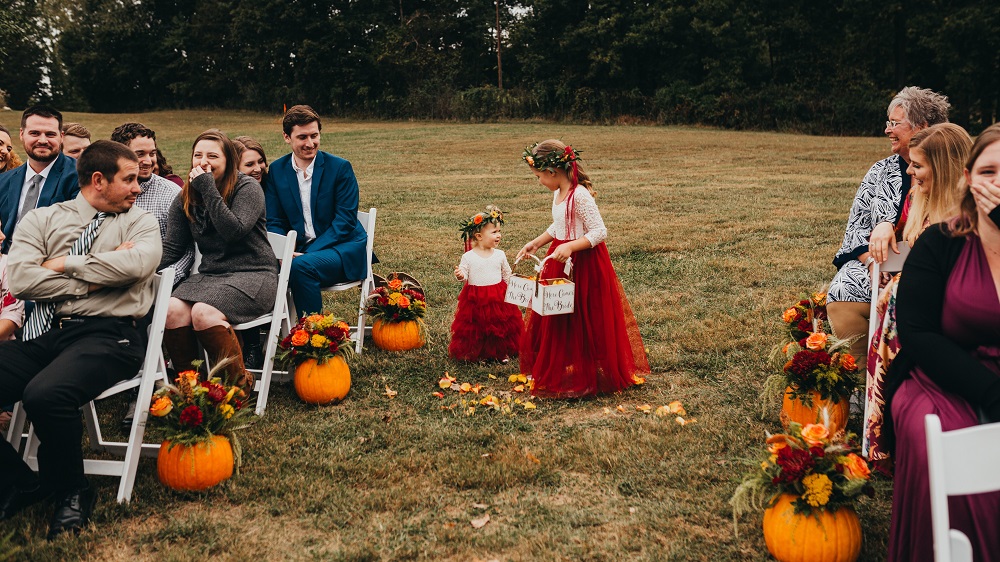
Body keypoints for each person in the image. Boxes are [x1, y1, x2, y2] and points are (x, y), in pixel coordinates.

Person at [0, 140, 161, 539]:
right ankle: (17, 481)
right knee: (37, 384)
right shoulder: (42, 220)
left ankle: (73, 491)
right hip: (47, 336)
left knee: (44, 395)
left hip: (110, 336)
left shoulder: (139, 222)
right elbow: (20, 279)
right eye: (128, 179)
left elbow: (139, 264)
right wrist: (92, 283)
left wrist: (65, 264)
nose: (138, 188)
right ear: (98, 180)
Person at [885, 123, 1000, 561]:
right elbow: (917, 334)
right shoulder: (941, 242)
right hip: (940, 378)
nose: (999, 184)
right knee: (957, 455)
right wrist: (991, 393)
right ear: (968, 178)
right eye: (989, 171)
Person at [864, 123, 972, 470]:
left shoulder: (968, 216)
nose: (910, 171)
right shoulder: (916, 197)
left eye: (918, 165)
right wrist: (884, 225)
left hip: (948, 314)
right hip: (908, 308)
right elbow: (897, 231)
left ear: (943, 168)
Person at [827, 87, 950, 370]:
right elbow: (856, 231)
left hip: (929, 271)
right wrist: (873, 264)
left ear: (923, 128)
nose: (887, 130)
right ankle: (860, 379)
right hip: (875, 263)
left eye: (895, 123)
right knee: (844, 287)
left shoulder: (951, 175)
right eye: (888, 122)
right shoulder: (879, 172)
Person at [516, 140, 649, 397]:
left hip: (584, 262)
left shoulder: (580, 195)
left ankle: (588, 366)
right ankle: (565, 362)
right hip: (560, 258)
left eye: (538, 177)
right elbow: (559, 226)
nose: (539, 182)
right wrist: (536, 242)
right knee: (559, 312)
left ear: (553, 172)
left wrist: (572, 247)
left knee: (583, 313)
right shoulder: (558, 193)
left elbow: (600, 231)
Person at [160, 129, 277, 389]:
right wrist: (138, 268)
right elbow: (172, 248)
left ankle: (238, 385)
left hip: (254, 275)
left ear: (229, 162)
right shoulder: (186, 197)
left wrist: (208, 189)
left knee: (203, 312)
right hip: (211, 276)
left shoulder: (247, 188)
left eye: (212, 156)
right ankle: (191, 388)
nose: (203, 162)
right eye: (197, 155)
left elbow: (233, 231)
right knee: (171, 310)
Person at [264, 105, 369, 317]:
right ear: (287, 137)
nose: (310, 143)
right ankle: (265, 333)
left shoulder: (340, 168)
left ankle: (313, 336)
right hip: (297, 250)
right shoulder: (277, 170)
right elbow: (274, 219)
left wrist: (305, 255)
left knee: (301, 267)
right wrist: (283, 251)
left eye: (314, 135)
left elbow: (345, 222)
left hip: (342, 249)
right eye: (302, 137)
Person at [111, 122, 194, 287]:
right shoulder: (105, 192)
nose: (148, 161)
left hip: (158, 284)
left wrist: (162, 281)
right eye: (140, 154)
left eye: (152, 153)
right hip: (110, 279)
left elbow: (188, 251)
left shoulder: (171, 193)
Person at [0, 105, 81, 252]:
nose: (42, 140)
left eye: (50, 134)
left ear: (61, 137)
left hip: (48, 264)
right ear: (22, 134)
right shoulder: (4, 181)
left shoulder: (80, 175)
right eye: (35, 133)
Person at [450, 206, 523, 362]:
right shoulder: (469, 256)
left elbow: (507, 274)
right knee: (478, 327)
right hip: (476, 298)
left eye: (499, 231)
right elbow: (464, 274)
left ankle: (502, 351)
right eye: (494, 232)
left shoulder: (500, 255)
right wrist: (460, 275)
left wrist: (517, 288)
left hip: (497, 296)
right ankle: (479, 353)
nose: (499, 235)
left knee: (500, 326)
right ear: (479, 236)